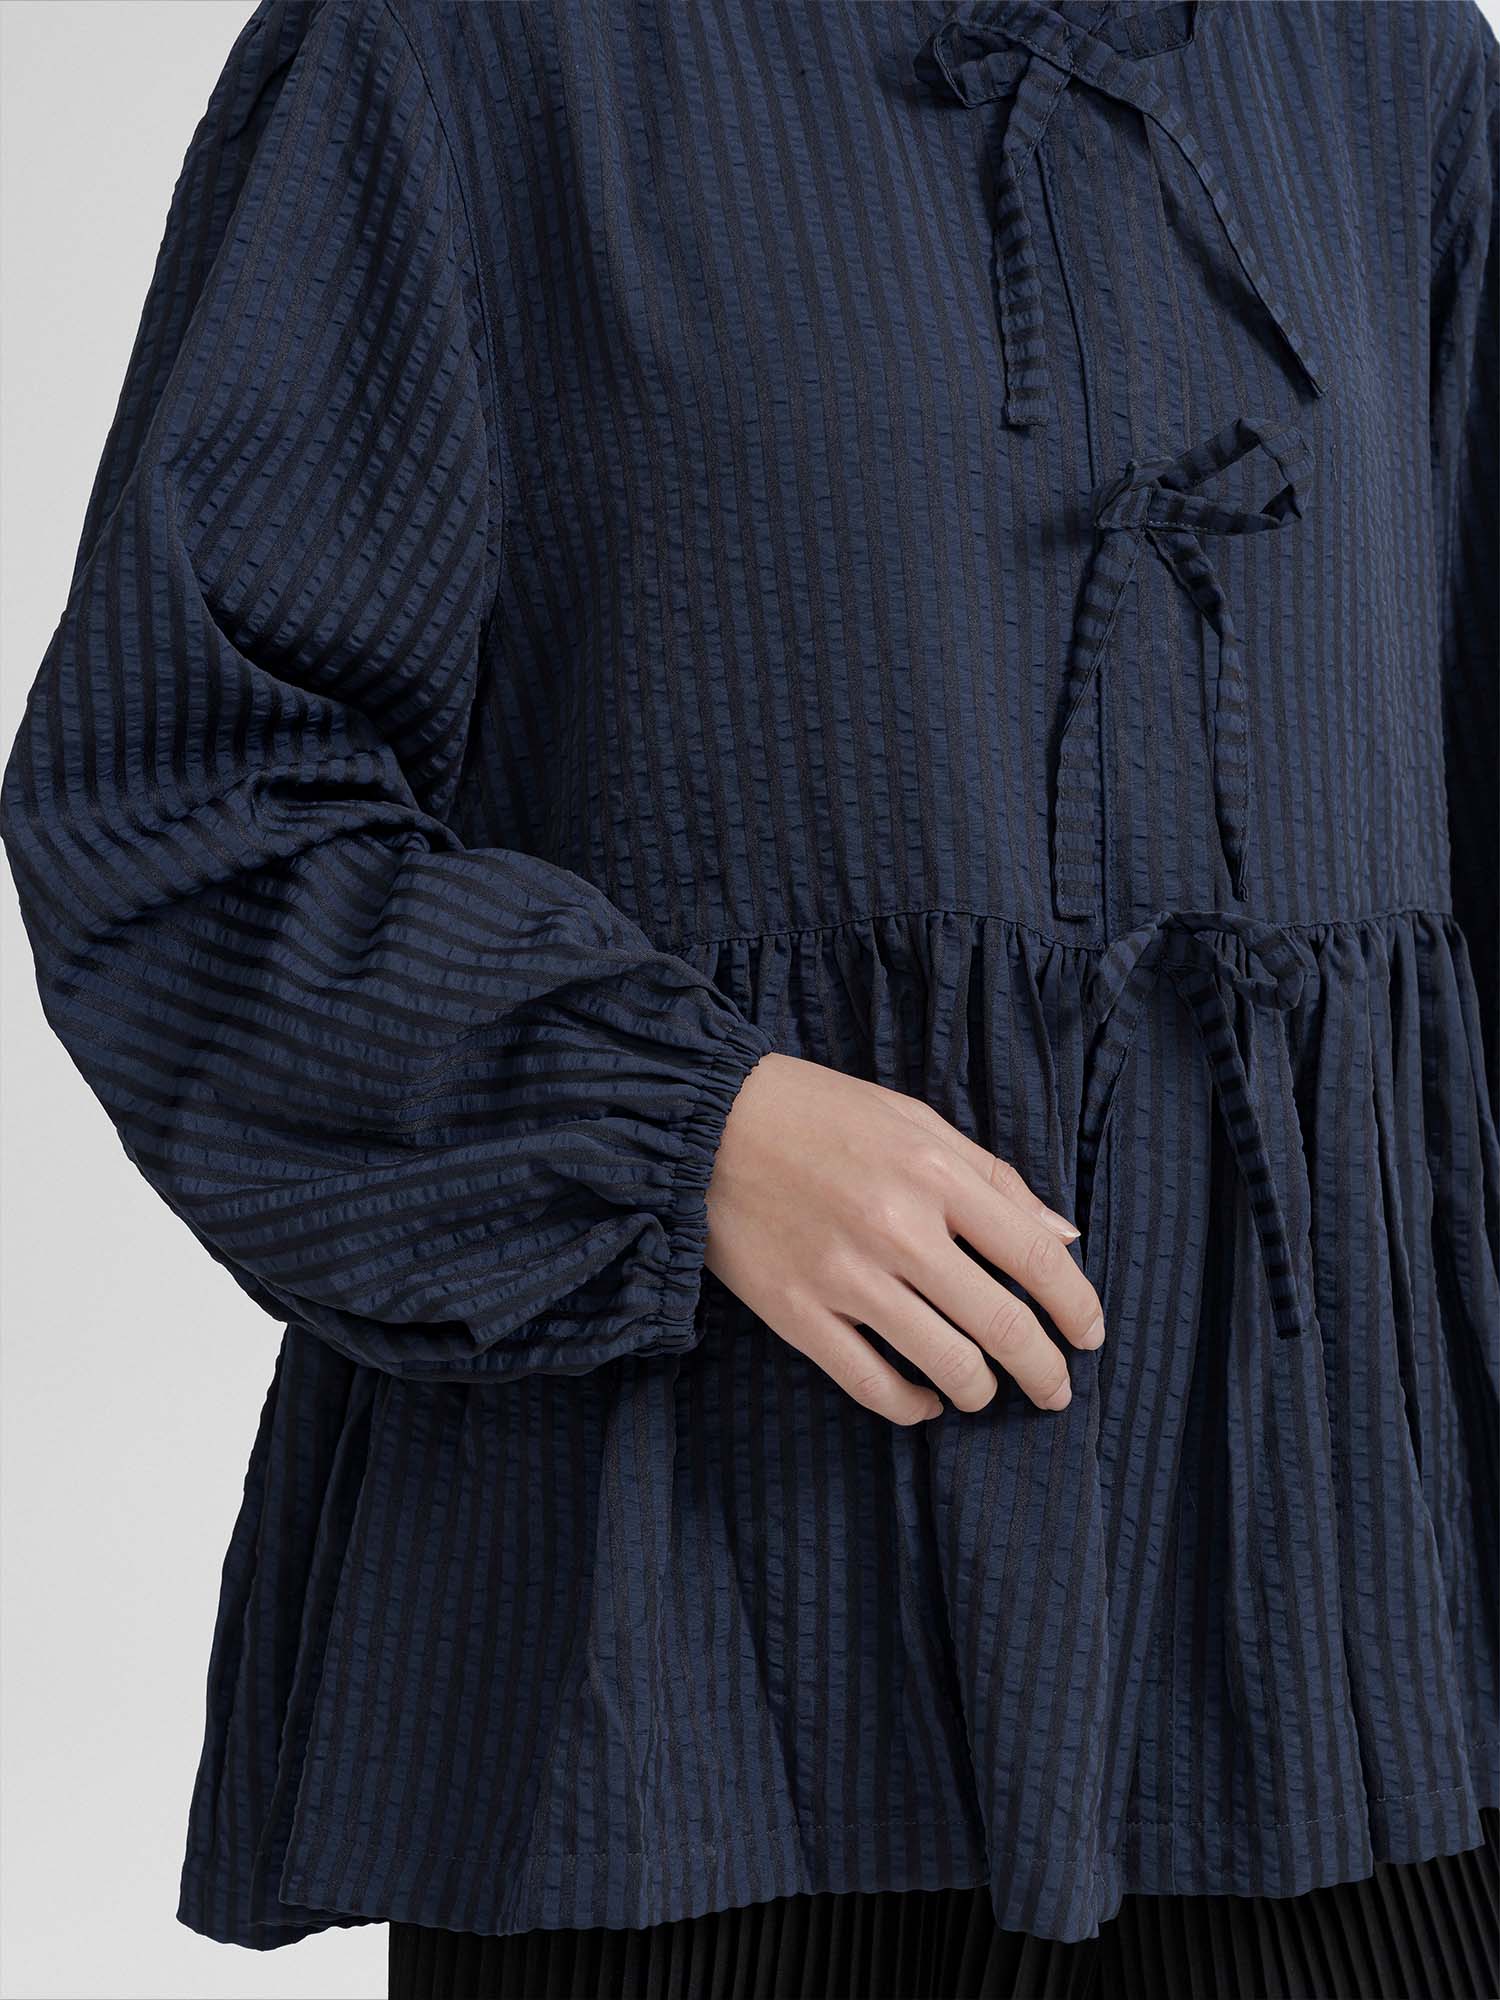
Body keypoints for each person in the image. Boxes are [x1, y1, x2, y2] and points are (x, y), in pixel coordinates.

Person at [2, 2, 1496, 1996]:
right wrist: (674, 1131)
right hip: (693, 1658)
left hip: (1325, 1663)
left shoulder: (1387, 64)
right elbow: (179, 795)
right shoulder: (452, 55)